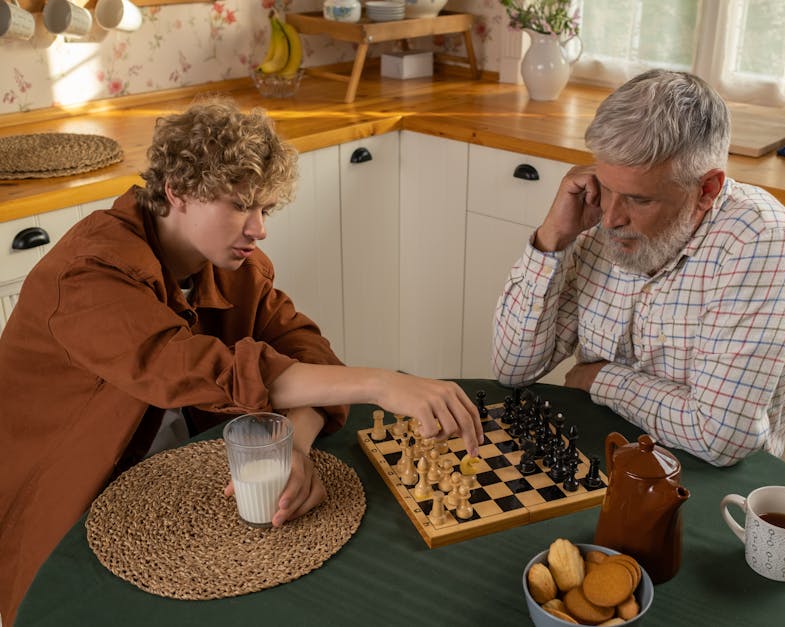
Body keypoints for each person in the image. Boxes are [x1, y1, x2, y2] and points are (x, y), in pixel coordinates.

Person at [0, 98, 483, 624]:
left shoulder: (234, 266)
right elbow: (198, 370)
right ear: (176, 192)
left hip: (183, 481)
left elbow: (308, 353)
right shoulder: (88, 274)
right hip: (62, 498)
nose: (259, 229)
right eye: (238, 205)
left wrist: (291, 446)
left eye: (265, 209)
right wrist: (383, 384)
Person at [492, 70, 785, 468]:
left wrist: (597, 378)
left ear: (707, 189)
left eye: (639, 200)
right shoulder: (597, 217)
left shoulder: (761, 239)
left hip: (707, 482)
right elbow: (512, 368)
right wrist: (552, 237)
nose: (609, 218)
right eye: (606, 187)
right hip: (598, 453)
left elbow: (719, 436)